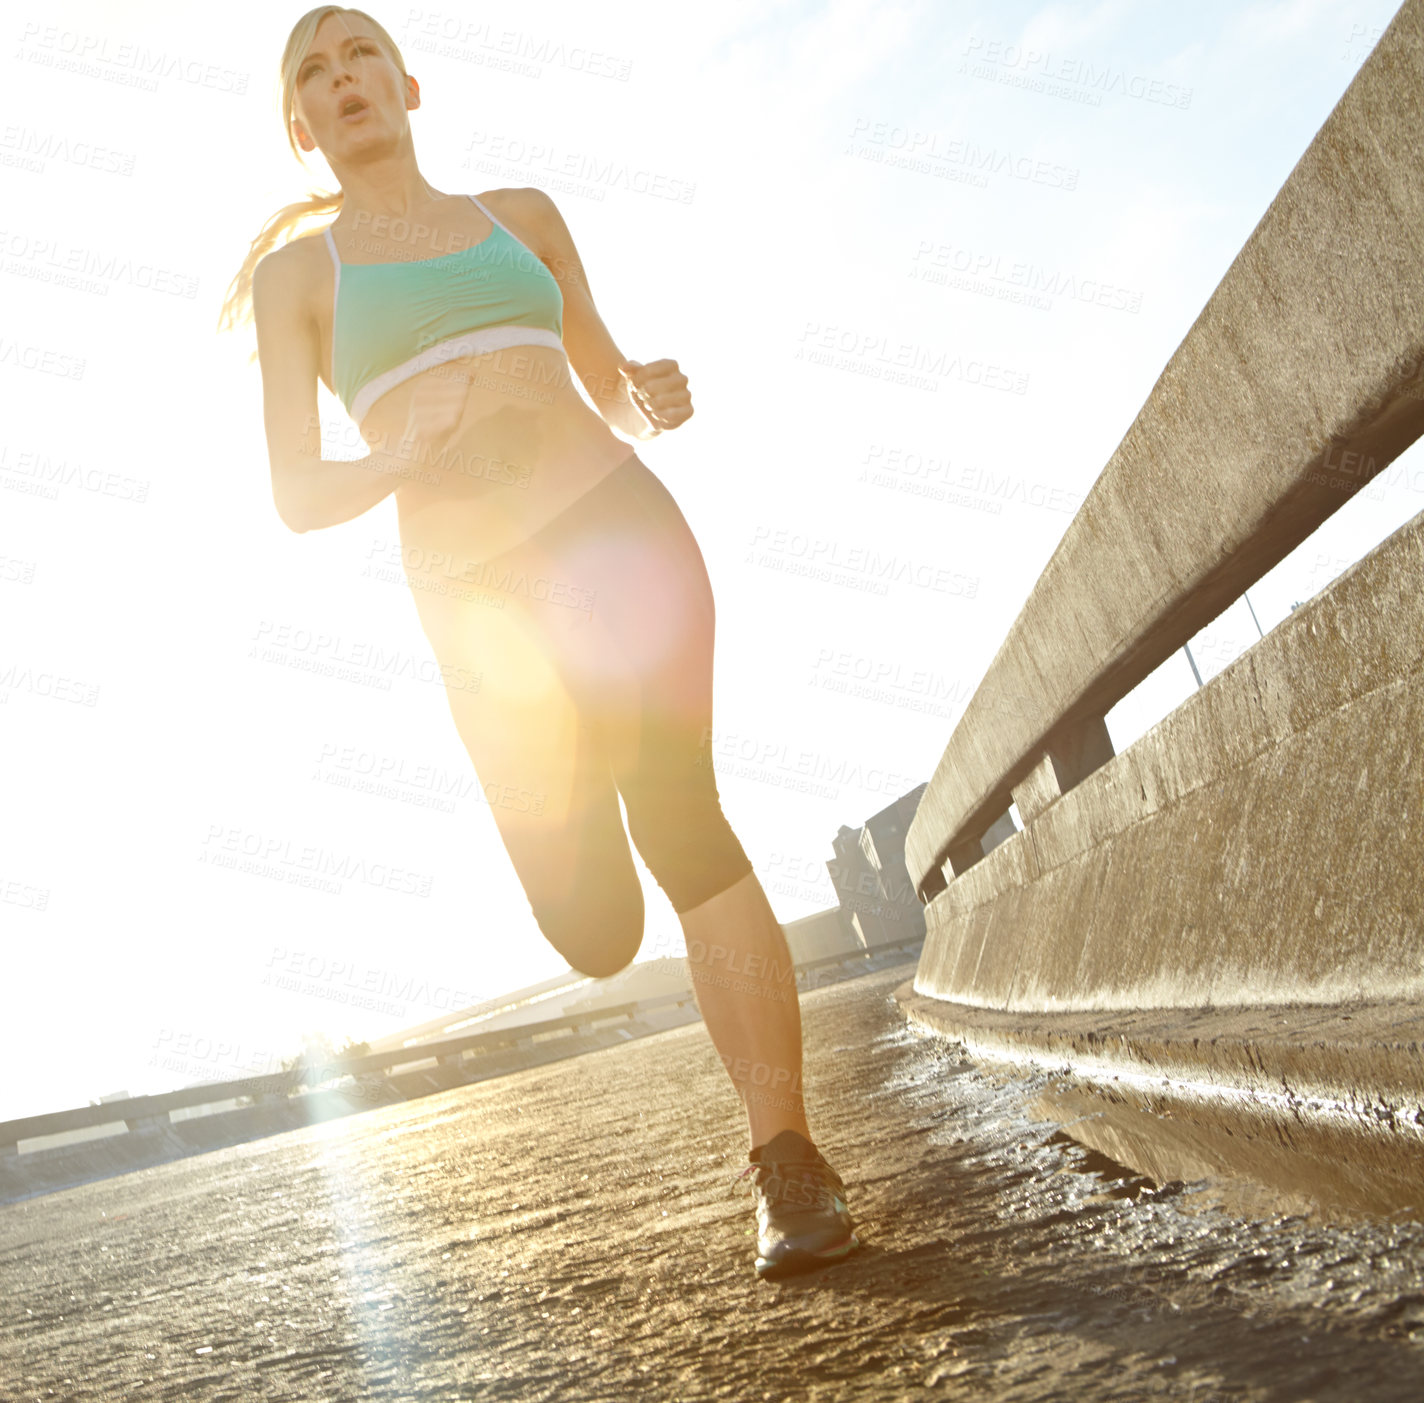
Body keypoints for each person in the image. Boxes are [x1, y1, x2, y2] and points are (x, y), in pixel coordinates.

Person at [218, 5, 858, 1279]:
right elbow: (296, 495)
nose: (343, 80)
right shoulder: (303, 279)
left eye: (360, 58)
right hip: (477, 597)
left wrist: (651, 397)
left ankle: (785, 1158)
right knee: (595, 928)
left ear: (408, 85)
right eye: (314, 73)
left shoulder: (525, 216)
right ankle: (575, 875)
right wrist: (400, 449)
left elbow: (608, 379)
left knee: (686, 819)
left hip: (618, 530)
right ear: (301, 126)